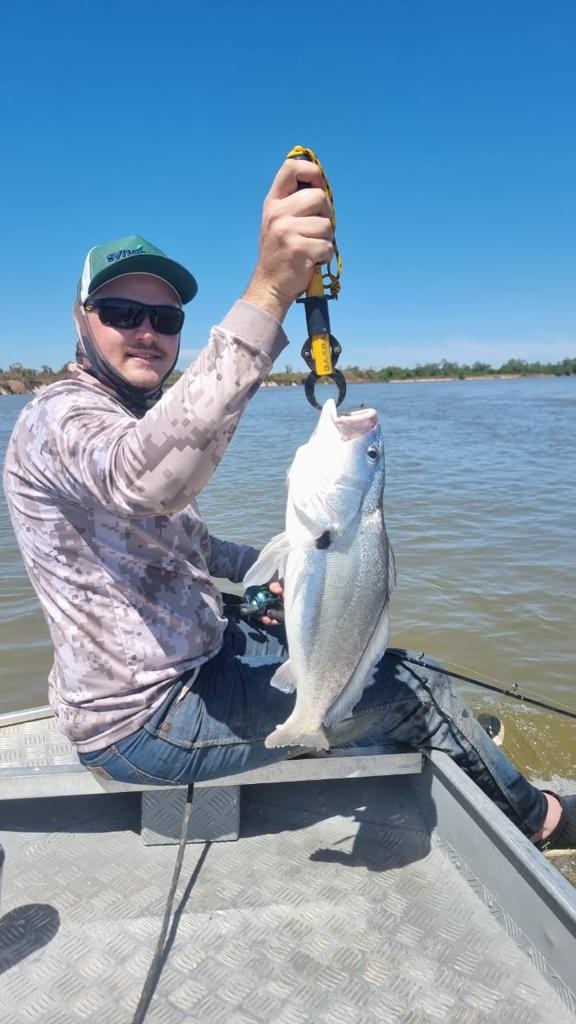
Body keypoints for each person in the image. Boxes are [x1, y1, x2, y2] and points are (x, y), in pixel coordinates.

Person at [3, 159, 574, 854]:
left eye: (164, 316)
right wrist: (272, 288)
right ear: (80, 318)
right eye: (122, 313)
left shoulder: (116, 419)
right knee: (422, 686)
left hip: (197, 657)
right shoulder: (60, 417)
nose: (146, 331)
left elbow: (189, 545)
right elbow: (147, 482)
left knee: (379, 653)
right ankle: (537, 819)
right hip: (150, 719)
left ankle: (407, 717)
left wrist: (267, 572)